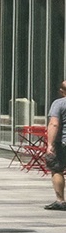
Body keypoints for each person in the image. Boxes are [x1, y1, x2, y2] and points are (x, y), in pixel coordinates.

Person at [47, 79, 66, 211]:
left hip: (63, 143)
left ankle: (60, 200)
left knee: (57, 169)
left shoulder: (59, 104)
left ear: (62, 91)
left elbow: (54, 124)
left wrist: (50, 144)